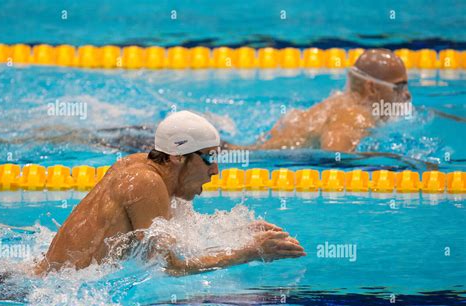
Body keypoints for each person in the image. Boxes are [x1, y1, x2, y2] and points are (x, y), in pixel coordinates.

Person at [34, 110, 305, 275]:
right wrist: (248, 253)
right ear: (178, 157)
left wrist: (238, 234)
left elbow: (172, 234)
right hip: (50, 293)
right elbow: (168, 267)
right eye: (208, 158)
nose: (215, 171)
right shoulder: (145, 183)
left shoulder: (149, 170)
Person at [230, 49, 412, 153]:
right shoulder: (355, 115)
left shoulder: (342, 103)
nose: (406, 95)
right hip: (263, 158)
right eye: (399, 86)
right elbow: (335, 155)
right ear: (371, 88)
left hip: (248, 150)